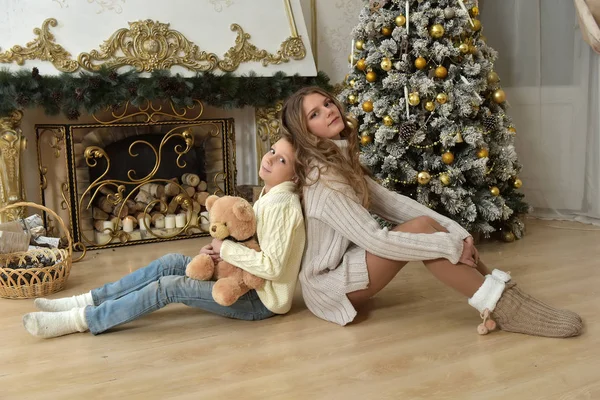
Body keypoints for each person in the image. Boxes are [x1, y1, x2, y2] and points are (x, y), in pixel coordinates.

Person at [279, 86, 582, 337]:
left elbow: (393, 203)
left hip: (347, 265)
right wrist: (446, 244)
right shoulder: (325, 183)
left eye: (328, 103)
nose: (330, 110)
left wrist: (458, 233)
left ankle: (503, 295)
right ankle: (504, 307)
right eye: (315, 114)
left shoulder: (339, 161)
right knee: (425, 230)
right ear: (306, 133)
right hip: (328, 285)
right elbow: (377, 241)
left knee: (426, 224)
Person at [23, 138, 306, 338]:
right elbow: (252, 240)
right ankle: (85, 300)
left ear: (295, 177)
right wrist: (222, 249)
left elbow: (272, 267)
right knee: (170, 262)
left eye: (281, 159)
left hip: (259, 299)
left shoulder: (283, 205)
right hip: (241, 276)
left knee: (167, 287)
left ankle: (80, 320)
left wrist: (227, 250)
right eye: (271, 150)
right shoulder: (269, 195)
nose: (268, 158)